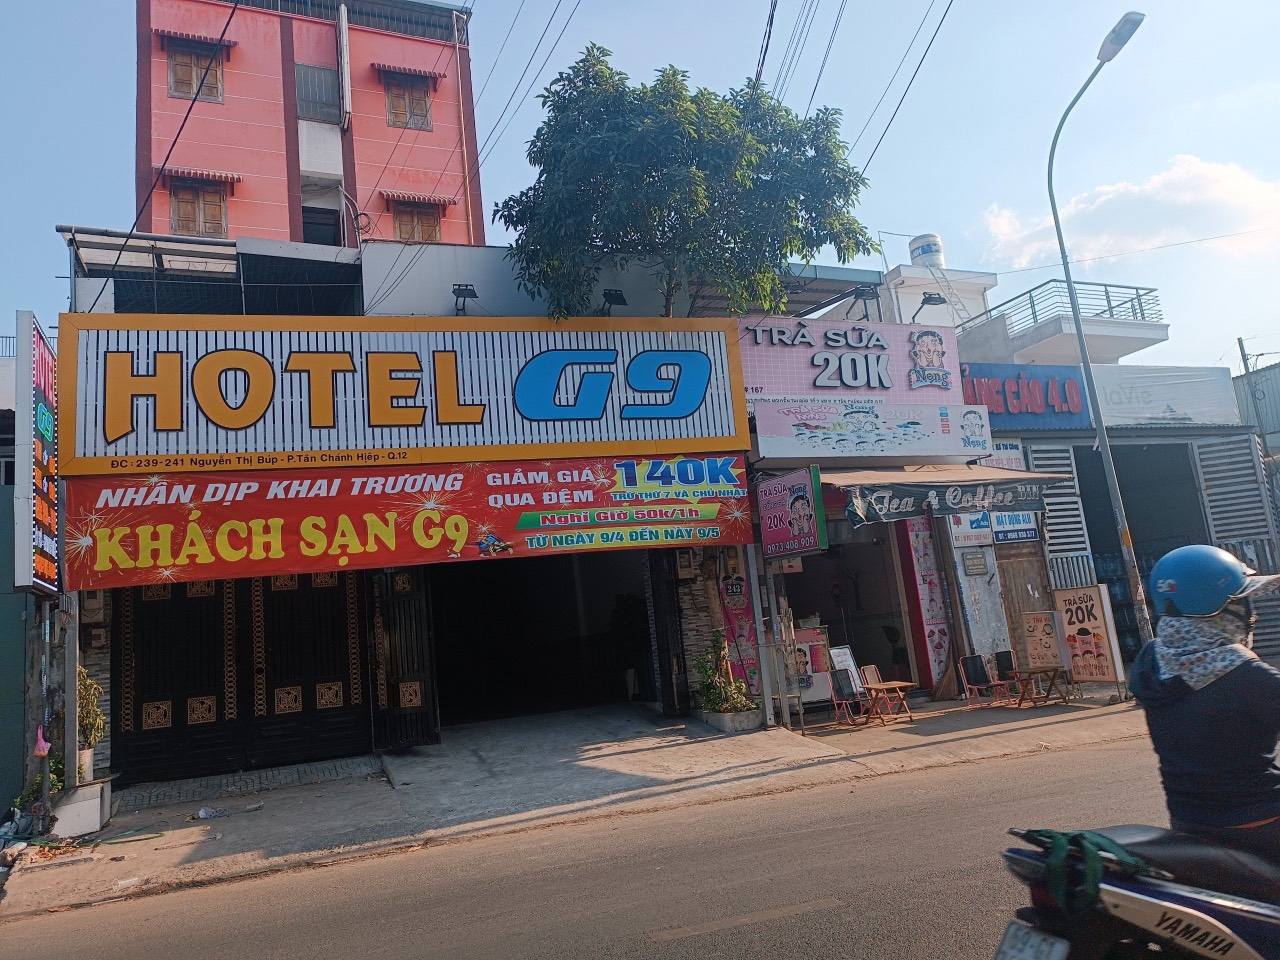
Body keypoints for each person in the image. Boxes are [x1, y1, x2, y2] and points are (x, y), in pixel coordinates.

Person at [1129, 544, 1280, 864]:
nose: (1251, 614)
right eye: (1242, 603)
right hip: (1260, 824)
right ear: (1221, 609)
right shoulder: (1248, 677)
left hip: (1188, 820)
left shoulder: (1150, 662)